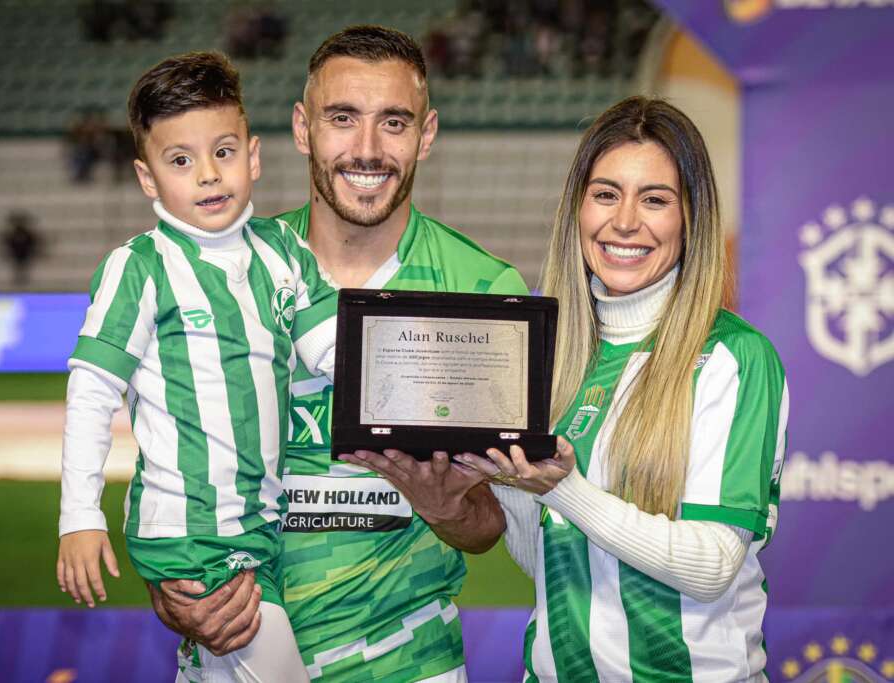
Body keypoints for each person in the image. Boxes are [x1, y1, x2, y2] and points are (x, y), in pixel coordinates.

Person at [149, 26, 530, 682]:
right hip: (232, 659)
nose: (367, 149)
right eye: (342, 118)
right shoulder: (226, 269)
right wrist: (171, 586)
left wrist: (446, 506)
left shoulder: (483, 292)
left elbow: (491, 523)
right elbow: (175, 473)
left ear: (427, 134)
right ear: (302, 128)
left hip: (407, 663)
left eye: (394, 122)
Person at [454, 97, 789, 682]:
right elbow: (549, 564)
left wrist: (563, 490)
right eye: (606, 194)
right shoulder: (551, 355)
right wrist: (498, 476)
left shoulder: (733, 358)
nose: (626, 221)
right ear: (577, 209)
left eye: (655, 199)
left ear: (691, 218)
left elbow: (711, 566)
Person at [55, 51, 338, 683]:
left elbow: (337, 350)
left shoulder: (283, 251)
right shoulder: (140, 268)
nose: (208, 175)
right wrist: (80, 515)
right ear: (147, 177)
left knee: (222, 669)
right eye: (180, 160)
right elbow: (92, 393)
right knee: (278, 670)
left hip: (264, 521)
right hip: (193, 529)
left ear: (255, 155)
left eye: (224, 151)